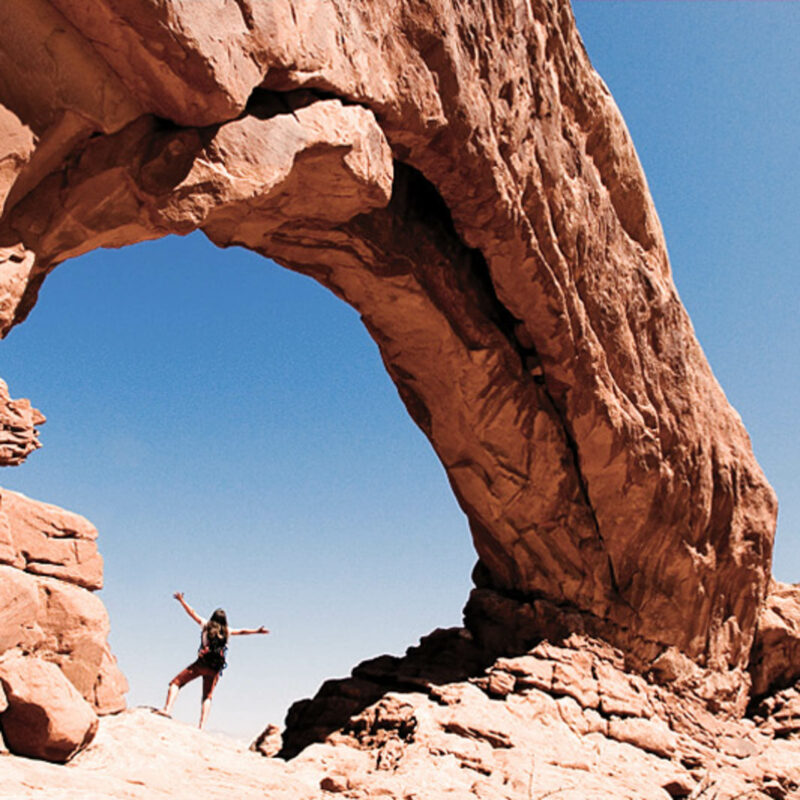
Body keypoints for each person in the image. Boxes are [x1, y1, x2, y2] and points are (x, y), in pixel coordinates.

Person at [159, 591, 270, 729]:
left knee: (176, 683)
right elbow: (241, 632)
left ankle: (167, 709)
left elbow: (192, 613)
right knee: (207, 696)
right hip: (215, 668)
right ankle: (202, 726)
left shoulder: (206, 625)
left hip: (201, 663)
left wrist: (182, 601)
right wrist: (257, 631)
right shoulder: (226, 631)